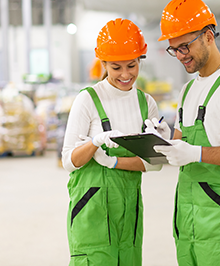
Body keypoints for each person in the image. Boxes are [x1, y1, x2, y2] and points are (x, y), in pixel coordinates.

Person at [152, 0, 220, 266]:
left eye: (185, 46)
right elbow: (179, 148)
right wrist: (158, 140)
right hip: (187, 217)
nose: (180, 55)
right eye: (174, 49)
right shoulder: (188, 90)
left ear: (208, 36)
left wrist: (197, 153)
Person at [61, 18, 168, 265]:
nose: (125, 74)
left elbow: (154, 164)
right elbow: (68, 161)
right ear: (104, 64)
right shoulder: (88, 100)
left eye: (131, 65)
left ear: (140, 60)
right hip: (93, 204)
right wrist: (94, 144)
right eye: (116, 67)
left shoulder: (146, 103)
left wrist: (113, 162)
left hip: (130, 204)